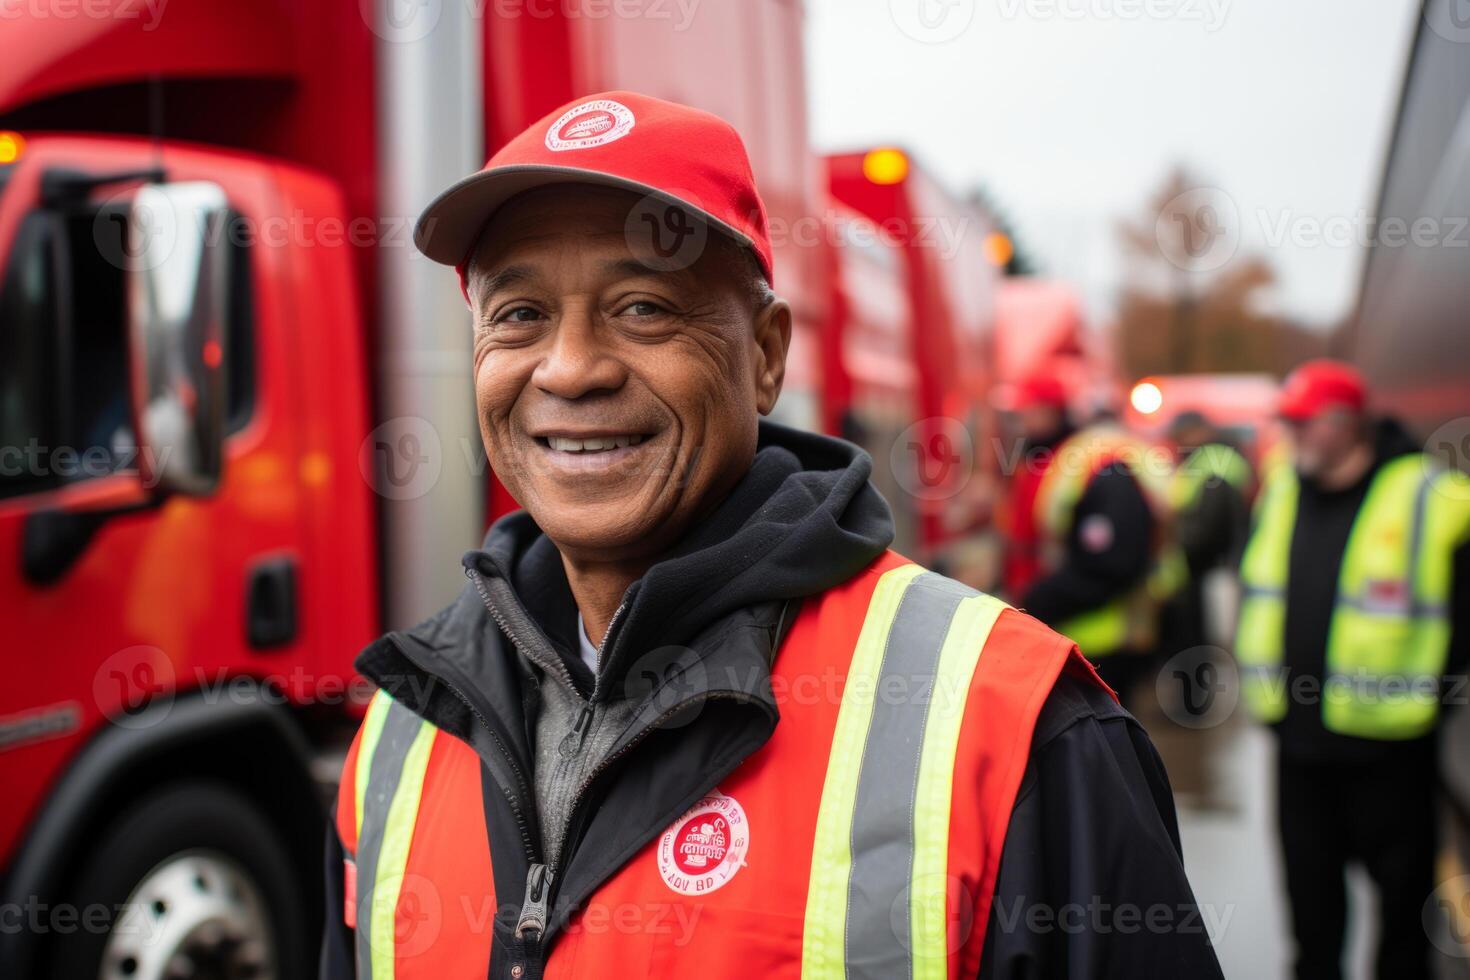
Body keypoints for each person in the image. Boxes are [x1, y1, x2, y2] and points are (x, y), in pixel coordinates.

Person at [319, 92, 1222, 979]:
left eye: (642, 307)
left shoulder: (1012, 727)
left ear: (764, 355)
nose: (571, 368)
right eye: (519, 315)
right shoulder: (402, 734)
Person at [1235, 359, 1470, 979]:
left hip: (1389, 752)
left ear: (1345, 424)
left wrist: (1438, 697)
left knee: (1401, 917)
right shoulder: (1283, 489)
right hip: (1299, 748)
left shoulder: (1430, 494)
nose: (1291, 435)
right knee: (1312, 917)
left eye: (1303, 423)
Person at [1020, 386, 1170, 702]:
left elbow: (1112, 565)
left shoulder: (1107, 474)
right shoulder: (1102, 464)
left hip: (1104, 643)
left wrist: (1037, 602)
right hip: (1097, 639)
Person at [1159, 410, 1253, 654]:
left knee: (1210, 644)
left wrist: (1178, 541)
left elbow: (1209, 528)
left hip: (1210, 570)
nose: (1179, 443)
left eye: (1182, 435)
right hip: (1208, 569)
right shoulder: (1214, 458)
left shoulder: (1213, 462)